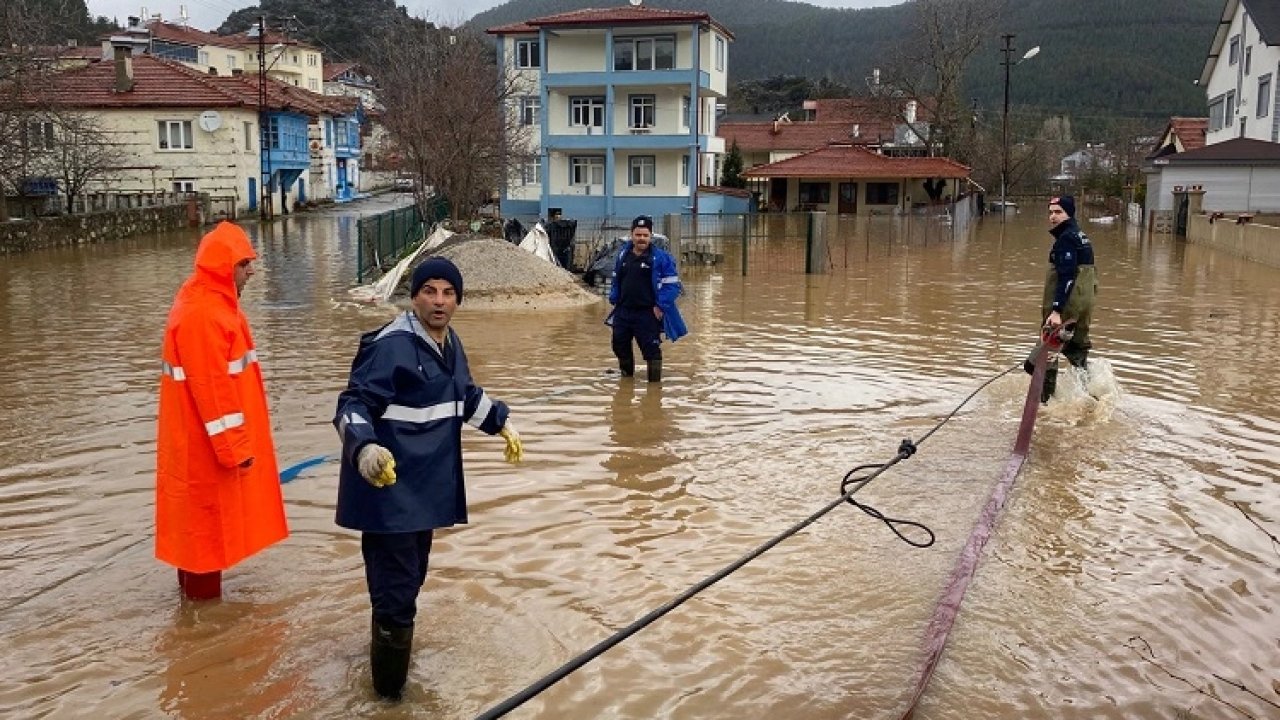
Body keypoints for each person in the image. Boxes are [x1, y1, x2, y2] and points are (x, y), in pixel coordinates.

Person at [333, 257, 523, 700]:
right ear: (414, 295)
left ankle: (385, 666)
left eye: (448, 293)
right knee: (397, 591)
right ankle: (388, 698)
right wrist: (365, 449)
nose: (439, 301)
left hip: (425, 492)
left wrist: (501, 423)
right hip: (389, 490)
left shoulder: (449, 342)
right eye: (430, 291)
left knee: (409, 581)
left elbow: (464, 396)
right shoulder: (391, 345)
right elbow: (351, 405)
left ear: (458, 299)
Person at [155, 221, 289, 601]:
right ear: (223, 265)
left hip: (198, 444)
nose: (252, 270)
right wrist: (237, 450)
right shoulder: (206, 314)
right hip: (206, 451)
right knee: (204, 540)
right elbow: (212, 390)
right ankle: (204, 627)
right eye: (245, 262)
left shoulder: (207, 303)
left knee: (197, 539)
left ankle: (193, 618)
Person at [607, 215, 687, 382]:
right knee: (619, 345)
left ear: (651, 236)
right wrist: (613, 297)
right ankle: (627, 379)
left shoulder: (661, 258)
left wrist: (660, 305)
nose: (641, 239)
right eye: (638, 235)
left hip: (648, 313)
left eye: (645, 235)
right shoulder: (623, 254)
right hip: (623, 311)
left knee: (651, 349)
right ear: (632, 235)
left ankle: (654, 389)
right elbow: (616, 279)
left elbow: (672, 286)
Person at [1039, 195, 1098, 401]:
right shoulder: (1081, 236)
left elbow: (1066, 276)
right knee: (1078, 352)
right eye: (1050, 212)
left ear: (1069, 213)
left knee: (1049, 351)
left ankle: (1045, 401)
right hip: (1084, 305)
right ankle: (1087, 397)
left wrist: (1056, 311)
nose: (1052, 217)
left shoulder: (1066, 239)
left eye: (1058, 212)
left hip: (1067, 306)